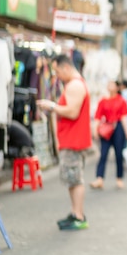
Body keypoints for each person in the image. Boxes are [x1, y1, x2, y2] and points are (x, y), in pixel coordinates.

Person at [37, 54, 91, 230]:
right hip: (71, 139)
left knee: (75, 179)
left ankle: (79, 216)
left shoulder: (75, 85)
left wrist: (51, 106)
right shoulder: (74, 84)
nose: (57, 75)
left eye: (58, 71)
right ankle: (75, 213)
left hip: (73, 140)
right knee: (72, 179)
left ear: (66, 67)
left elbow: (72, 112)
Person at [90, 80, 127, 190]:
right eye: (108, 84)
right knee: (103, 153)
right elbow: (97, 116)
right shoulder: (103, 101)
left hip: (118, 128)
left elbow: (124, 118)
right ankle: (99, 178)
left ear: (117, 87)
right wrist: (95, 129)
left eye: (112, 84)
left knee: (118, 154)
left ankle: (119, 178)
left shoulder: (121, 101)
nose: (109, 86)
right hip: (106, 128)